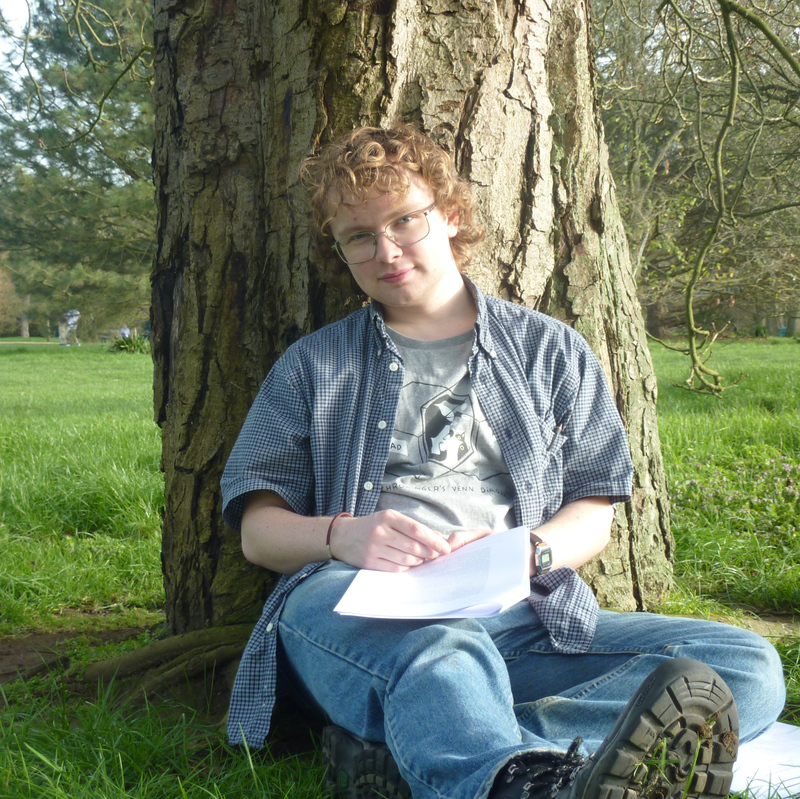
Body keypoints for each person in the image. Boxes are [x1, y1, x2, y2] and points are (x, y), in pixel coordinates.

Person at [220, 124, 785, 799]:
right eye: (359, 236)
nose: (387, 249)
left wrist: (529, 552)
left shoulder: (553, 351)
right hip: (359, 616)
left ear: (450, 216)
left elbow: (594, 510)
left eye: (406, 220)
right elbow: (258, 530)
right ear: (340, 250)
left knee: (743, 665)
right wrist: (344, 535)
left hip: (523, 621)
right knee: (439, 651)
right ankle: (524, 779)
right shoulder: (313, 366)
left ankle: (446, 743)